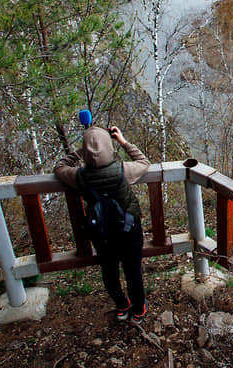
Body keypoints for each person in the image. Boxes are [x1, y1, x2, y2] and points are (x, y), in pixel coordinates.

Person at [54, 125, 150, 324]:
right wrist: (123, 142)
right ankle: (139, 310)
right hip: (128, 231)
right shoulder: (123, 170)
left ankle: (122, 306)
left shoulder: (79, 177)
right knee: (133, 271)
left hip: (102, 234)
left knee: (109, 272)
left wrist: (82, 151)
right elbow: (143, 162)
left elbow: (60, 167)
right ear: (109, 148)